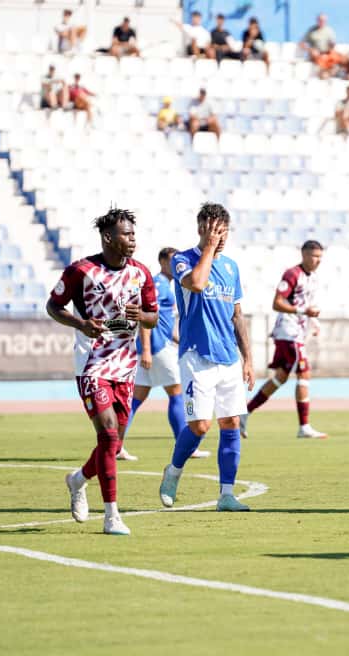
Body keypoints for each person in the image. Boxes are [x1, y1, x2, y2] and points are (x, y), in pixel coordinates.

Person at [47, 208, 159, 536]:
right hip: (92, 364)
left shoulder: (141, 273)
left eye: (134, 234)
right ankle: (112, 515)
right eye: (127, 234)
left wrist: (142, 316)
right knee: (108, 434)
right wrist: (81, 324)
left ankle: (77, 479)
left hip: (125, 367)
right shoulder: (81, 271)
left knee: (112, 443)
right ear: (109, 237)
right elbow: (53, 306)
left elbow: (153, 316)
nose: (133, 239)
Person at [159, 203, 254, 513]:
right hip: (196, 355)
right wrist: (209, 248)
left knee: (232, 422)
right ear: (201, 229)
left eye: (224, 231)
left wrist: (248, 358)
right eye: (215, 230)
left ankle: (226, 494)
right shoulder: (182, 260)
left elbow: (237, 315)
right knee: (200, 426)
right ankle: (173, 471)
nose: (221, 236)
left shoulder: (231, 267)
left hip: (228, 357)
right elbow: (197, 284)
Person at [118, 247, 208, 462]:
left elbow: (165, 323)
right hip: (157, 348)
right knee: (176, 392)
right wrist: (148, 350)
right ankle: (186, 447)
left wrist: (180, 341)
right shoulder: (158, 284)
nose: (177, 264)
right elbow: (146, 317)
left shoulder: (166, 285)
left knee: (137, 399)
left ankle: (115, 446)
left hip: (157, 346)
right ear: (162, 263)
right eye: (172, 261)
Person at [243, 240, 328, 439]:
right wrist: (303, 311)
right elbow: (277, 303)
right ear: (304, 254)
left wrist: (313, 324)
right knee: (304, 374)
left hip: (296, 332)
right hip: (288, 332)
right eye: (315, 256)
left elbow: (305, 305)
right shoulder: (292, 274)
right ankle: (304, 426)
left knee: (280, 377)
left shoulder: (313, 278)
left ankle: (244, 413)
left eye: (320, 257)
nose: (318, 261)